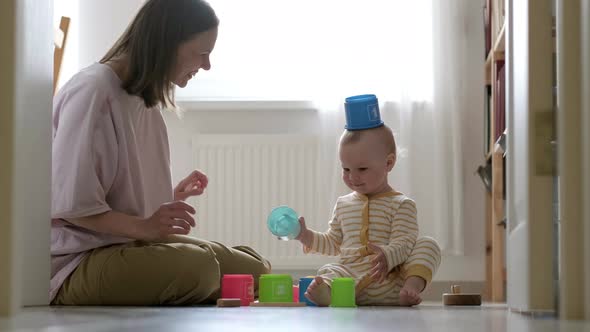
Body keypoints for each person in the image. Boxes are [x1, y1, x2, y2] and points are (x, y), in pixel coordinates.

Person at [50, 0, 270, 305]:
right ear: (167, 45)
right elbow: (74, 207)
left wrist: (172, 197)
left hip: (128, 242)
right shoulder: (92, 91)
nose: (206, 66)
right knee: (202, 268)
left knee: (254, 271)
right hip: (79, 259)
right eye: (202, 53)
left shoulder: (144, 100)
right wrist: (143, 226)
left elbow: (126, 203)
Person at [296, 120, 442, 306]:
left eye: (362, 169)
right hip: (349, 283)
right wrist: (306, 236)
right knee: (329, 269)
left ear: (388, 163)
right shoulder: (343, 204)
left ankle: (410, 288)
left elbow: (405, 242)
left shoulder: (402, 204)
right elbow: (333, 243)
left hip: (389, 281)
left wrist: (388, 255)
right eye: (346, 169)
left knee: (428, 245)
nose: (352, 177)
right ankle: (330, 293)